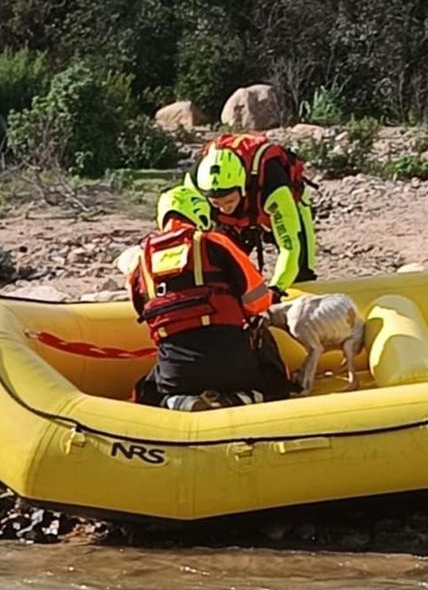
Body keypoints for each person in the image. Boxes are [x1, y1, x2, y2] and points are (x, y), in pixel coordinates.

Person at [127, 187, 294, 411]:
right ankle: (249, 396)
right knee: (274, 374)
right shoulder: (215, 242)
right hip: (233, 364)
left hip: (176, 372)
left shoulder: (141, 260)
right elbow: (258, 301)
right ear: (200, 213)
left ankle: (176, 401)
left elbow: (141, 312)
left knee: (148, 390)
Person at [185, 133, 319, 295]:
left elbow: (289, 247)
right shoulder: (194, 184)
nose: (224, 209)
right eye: (216, 203)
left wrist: (276, 289)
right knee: (219, 269)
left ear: (242, 188)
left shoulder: (273, 184)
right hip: (233, 221)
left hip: (284, 207)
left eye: (229, 201)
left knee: (301, 272)